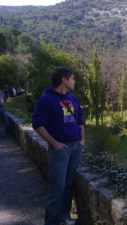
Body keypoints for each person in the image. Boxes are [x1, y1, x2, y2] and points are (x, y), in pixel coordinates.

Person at [32, 67, 84, 225]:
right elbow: (37, 124)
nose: (74, 81)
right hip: (60, 149)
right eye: (73, 78)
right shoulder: (47, 100)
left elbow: (80, 121)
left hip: (76, 147)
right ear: (64, 79)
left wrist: (82, 141)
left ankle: (65, 215)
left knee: (68, 184)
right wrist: (54, 143)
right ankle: (52, 221)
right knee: (57, 186)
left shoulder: (73, 99)